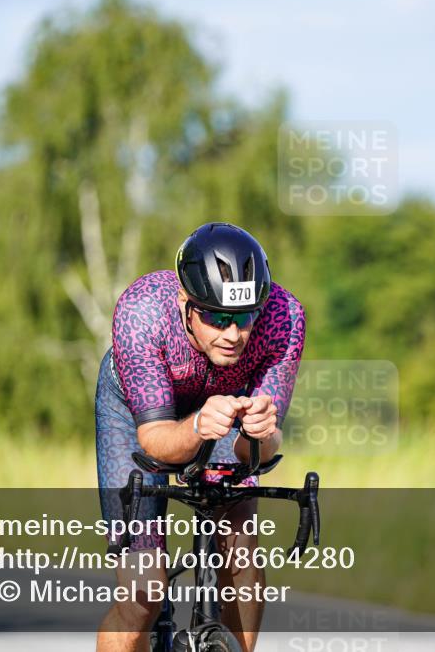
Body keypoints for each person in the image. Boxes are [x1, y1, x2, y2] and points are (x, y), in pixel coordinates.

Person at [95, 222, 306, 652]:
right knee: (143, 594)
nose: (233, 334)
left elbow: (258, 452)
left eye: (244, 317)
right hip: (138, 412)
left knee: (240, 549)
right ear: (185, 303)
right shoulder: (141, 312)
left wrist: (260, 434)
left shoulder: (283, 317)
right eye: (217, 317)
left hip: (227, 406)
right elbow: (155, 440)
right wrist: (194, 427)